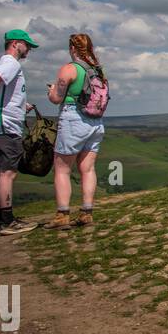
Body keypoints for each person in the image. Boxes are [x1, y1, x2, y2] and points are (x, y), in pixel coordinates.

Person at [0, 29, 39, 236]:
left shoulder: (4, 62)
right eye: (27, 45)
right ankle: (8, 221)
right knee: (8, 173)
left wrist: (21, 106)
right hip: (6, 128)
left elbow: (1, 91)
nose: (28, 49)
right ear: (16, 43)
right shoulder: (11, 62)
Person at [43, 34, 107, 229]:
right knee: (87, 169)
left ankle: (62, 215)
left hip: (73, 119)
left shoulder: (70, 69)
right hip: (95, 122)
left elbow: (56, 98)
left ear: (72, 48)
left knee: (62, 169)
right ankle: (86, 212)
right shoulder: (98, 71)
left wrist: (52, 91)